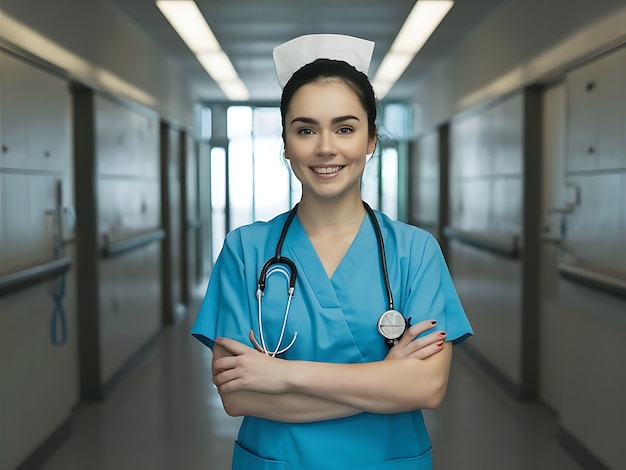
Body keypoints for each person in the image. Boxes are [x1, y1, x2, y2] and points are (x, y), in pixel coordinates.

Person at [191, 34, 472, 469]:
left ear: (371, 140)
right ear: (285, 144)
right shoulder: (245, 250)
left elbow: (427, 388)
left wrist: (283, 375)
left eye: (345, 128)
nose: (325, 147)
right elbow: (239, 395)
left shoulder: (415, 251)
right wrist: (385, 382)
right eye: (305, 130)